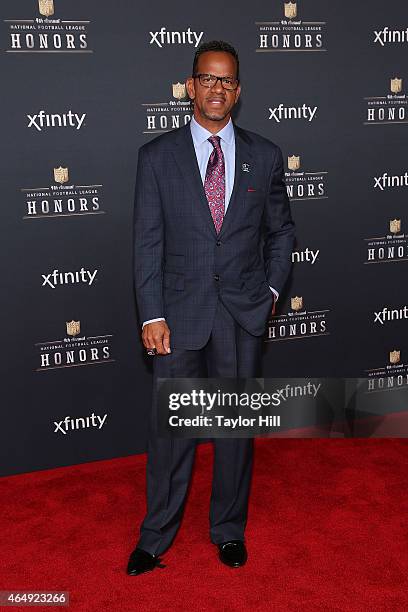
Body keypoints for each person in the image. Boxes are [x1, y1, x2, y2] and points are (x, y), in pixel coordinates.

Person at [128, 40, 295, 575]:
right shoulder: (156, 157)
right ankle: (155, 537)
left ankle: (228, 529)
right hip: (178, 317)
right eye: (207, 78)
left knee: (233, 432)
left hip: (242, 314)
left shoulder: (265, 155)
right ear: (190, 85)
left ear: (238, 90)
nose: (217, 88)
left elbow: (281, 231)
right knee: (171, 433)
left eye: (227, 80)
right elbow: (147, 241)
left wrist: (270, 292)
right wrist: (151, 313)